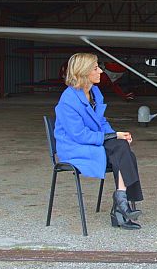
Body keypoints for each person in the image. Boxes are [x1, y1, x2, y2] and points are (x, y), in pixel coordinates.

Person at [54, 53, 144, 230]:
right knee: (123, 151)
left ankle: (121, 199)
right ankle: (119, 208)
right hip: (74, 148)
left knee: (122, 146)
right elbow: (78, 135)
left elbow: (101, 122)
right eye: (96, 68)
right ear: (84, 72)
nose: (101, 71)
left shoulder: (94, 92)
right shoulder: (68, 100)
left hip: (90, 141)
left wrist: (116, 134)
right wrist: (113, 136)